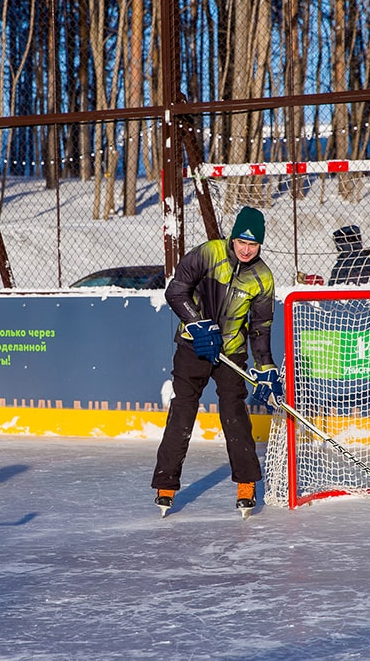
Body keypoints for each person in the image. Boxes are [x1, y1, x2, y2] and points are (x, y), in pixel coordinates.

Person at [152, 206, 283, 517]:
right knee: (183, 410)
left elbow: (261, 327)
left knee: (235, 414)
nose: (246, 249)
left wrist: (266, 367)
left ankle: (246, 484)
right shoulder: (209, 253)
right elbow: (176, 290)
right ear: (233, 237)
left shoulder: (262, 277)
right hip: (192, 347)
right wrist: (198, 324)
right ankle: (166, 485)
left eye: (253, 245)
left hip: (231, 353)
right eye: (242, 242)